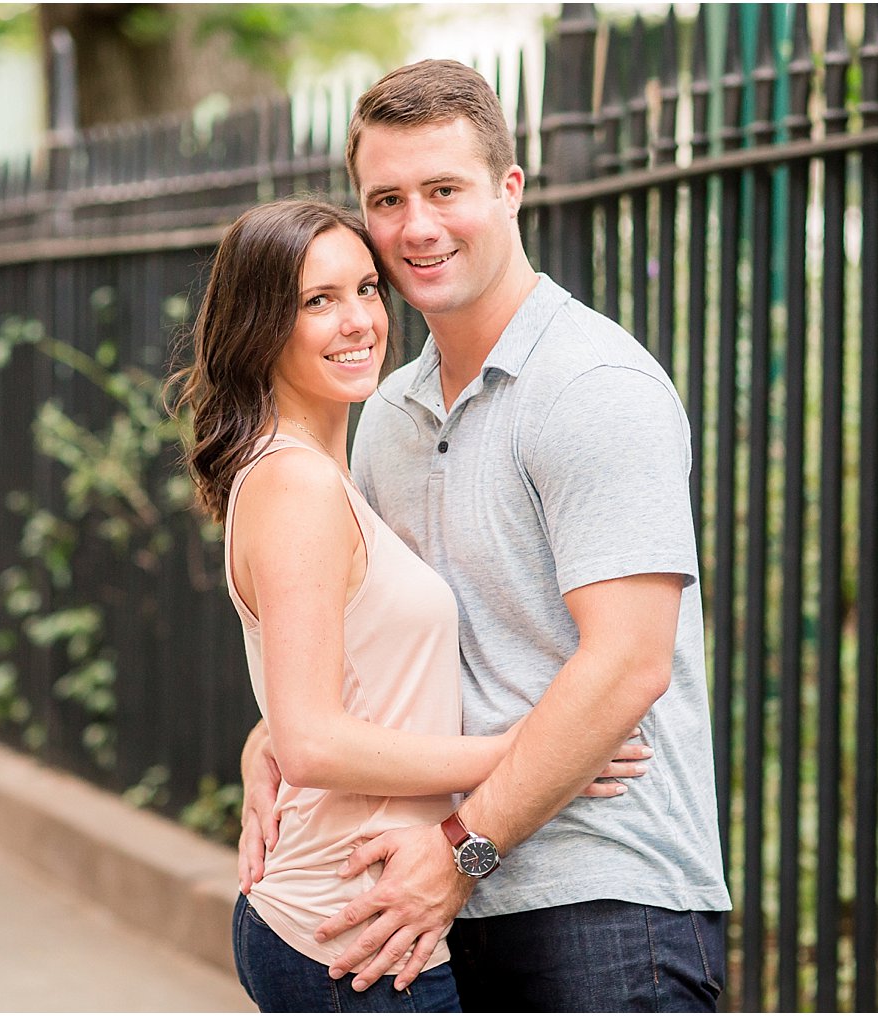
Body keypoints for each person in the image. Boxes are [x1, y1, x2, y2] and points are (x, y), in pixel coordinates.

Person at [238, 61, 731, 1012]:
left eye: (445, 190)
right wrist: (275, 737)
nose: (417, 226)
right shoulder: (386, 415)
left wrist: (462, 851)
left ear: (509, 191)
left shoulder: (594, 388)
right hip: (442, 905)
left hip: (605, 898)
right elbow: (379, 646)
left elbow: (629, 667)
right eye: (388, 198)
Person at [172, 198, 649, 1013]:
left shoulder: (320, 469)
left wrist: (267, 741)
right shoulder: (293, 484)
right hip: (349, 928)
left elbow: (320, 695)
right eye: (317, 301)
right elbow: (315, 741)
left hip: (370, 919)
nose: (359, 320)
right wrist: (538, 754)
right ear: (260, 327)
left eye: (365, 288)